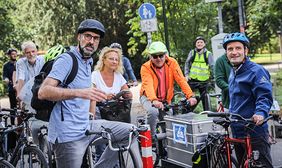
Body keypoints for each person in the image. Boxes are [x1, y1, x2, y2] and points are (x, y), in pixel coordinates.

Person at [38, 19, 142, 168]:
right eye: (87, 36)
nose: (91, 41)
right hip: (68, 134)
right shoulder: (67, 60)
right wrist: (81, 93)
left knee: (130, 132)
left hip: (86, 126)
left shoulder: (87, 62)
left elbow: (90, 95)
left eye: (96, 38)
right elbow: (43, 92)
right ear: (78, 37)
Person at [223, 32, 273, 167]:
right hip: (237, 130)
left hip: (254, 130)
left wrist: (260, 113)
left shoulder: (256, 71)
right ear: (226, 53)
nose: (234, 52)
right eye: (230, 49)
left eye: (238, 48)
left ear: (246, 50)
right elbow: (238, 96)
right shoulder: (234, 71)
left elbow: (264, 96)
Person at [140, 41, 197, 138]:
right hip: (148, 97)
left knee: (169, 121)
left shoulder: (172, 63)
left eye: (161, 55)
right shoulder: (146, 67)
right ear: (150, 57)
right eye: (155, 56)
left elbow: (181, 79)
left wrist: (190, 96)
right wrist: (154, 100)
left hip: (165, 99)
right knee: (153, 112)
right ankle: (150, 138)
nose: (158, 59)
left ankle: (169, 144)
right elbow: (148, 85)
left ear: (165, 55)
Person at [184, 36, 214, 111]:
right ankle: (187, 112)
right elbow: (187, 63)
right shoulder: (192, 52)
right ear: (195, 44)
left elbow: (212, 66)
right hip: (192, 79)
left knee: (205, 99)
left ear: (204, 44)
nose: (199, 44)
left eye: (201, 42)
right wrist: (186, 75)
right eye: (198, 42)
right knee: (189, 96)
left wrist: (214, 77)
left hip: (204, 80)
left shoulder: (208, 54)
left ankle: (207, 113)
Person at [3, 48, 18, 124]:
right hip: (12, 88)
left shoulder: (19, 63)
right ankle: (12, 124)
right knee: (13, 107)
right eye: (12, 54)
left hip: (20, 87)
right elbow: (5, 76)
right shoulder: (6, 65)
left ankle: (22, 124)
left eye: (15, 54)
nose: (14, 55)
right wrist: (6, 79)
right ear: (9, 55)